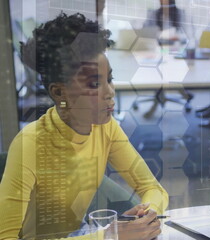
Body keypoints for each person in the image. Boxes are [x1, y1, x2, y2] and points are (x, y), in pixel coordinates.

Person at [0, 13, 168, 239]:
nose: (110, 93)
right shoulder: (30, 144)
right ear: (59, 92)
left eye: (109, 79)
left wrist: (145, 215)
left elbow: (154, 190)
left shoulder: (105, 128)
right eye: (94, 84)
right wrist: (109, 236)